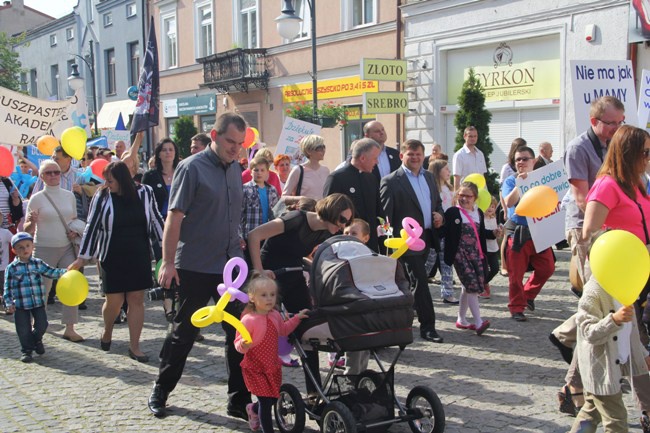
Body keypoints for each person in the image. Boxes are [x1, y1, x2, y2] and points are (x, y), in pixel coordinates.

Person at [148, 112, 250, 419]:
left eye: (240, 143)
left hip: (230, 267)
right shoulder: (191, 168)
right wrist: (167, 262)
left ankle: (238, 399)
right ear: (215, 136)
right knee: (184, 333)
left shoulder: (235, 169)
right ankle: (161, 389)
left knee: (238, 334)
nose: (235, 148)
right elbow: (174, 217)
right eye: (230, 141)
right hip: (195, 264)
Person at [563, 125, 650, 427]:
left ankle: (580, 387)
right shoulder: (607, 185)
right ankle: (580, 381)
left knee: (593, 400)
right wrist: (614, 258)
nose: (649, 158)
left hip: (634, 270)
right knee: (604, 336)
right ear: (629, 154)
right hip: (611, 272)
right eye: (646, 153)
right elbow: (590, 232)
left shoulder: (637, 183)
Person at [551, 96, 627, 414]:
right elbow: (583, 198)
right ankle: (575, 383)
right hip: (586, 230)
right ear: (595, 121)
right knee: (600, 304)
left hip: (613, 230)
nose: (617, 128)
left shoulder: (616, 144)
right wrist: (610, 222)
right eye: (612, 123)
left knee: (602, 307)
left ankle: (567, 340)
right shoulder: (578, 148)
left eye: (621, 122)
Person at [247, 193, 355, 395]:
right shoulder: (296, 219)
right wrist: (259, 272)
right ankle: (258, 391)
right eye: (342, 219)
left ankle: (314, 392)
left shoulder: (326, 232)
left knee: (306, 330)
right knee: (264, 331)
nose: (343, 225)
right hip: (270, 277)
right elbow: (254, 236)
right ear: (330, 211)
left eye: (348, 221)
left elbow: (300, 254)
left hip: (293, 274)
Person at [69, 161, 164, 363]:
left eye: (110, 180)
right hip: (112, 253)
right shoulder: (102, 195)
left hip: (139, 253)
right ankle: (108, 330)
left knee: (136, 299)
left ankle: (135, 346)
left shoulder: (145, 192)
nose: (107, 183)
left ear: (122, 180)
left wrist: (168, 249)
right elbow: (92, 226)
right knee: (114, 301)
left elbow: (156, 219)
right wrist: (81, 258)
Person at [380, 139, 445, 343]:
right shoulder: (391, 181)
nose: (415, 158)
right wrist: (389, 246)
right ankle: (428, 327)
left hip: (427, 237)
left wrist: (439, 215)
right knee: (421, 283)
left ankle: (400, 322)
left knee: (411, 284)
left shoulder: (428, 176)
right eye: (410, 154)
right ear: (402, 156)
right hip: (405, 242)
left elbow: (438, 203)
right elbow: (385, 217)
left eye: (418, 154)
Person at [568, 273, 650, 433]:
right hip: (601, 369)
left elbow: (631, 332)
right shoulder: (594, 290)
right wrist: (614, 320)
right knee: (616, 421)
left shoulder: (624, 287)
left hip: (615, 364)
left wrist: (643, 353)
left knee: (590, 413)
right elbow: (588, 332)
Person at [234, 273, 309, 433]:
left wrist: (297, 318)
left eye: (272, 295)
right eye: (264, 295)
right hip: (255, 367)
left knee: (273, 397)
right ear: (252, 297)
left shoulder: (275, 315)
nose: (269, 299)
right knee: (266, 402)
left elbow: (283, 330)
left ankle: (253, 409)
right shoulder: (248, 320)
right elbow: (238, 344)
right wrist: (244, 344)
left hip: (272, 365)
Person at [24, 160, 84, 342]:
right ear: (41, 177)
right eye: (48, 173)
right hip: (43, 247)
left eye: (56, 172)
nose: (53, 176)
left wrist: (75, 230)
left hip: (66, 246)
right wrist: (32, 221)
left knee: (71, 285)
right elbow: (26, 229)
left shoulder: (69, 196)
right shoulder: (36, 198)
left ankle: (70, 327)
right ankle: (39, 323)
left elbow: (73, 218)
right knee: (42, 289)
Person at [501, 146, 555, 321]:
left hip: (539, 230)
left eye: (525, 159)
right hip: (519, 231)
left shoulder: (542, 180)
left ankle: (528, 294)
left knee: (547, 268)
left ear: (533, 161)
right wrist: (520, 184)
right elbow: (509, 202)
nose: (521, 162)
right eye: (517, 160)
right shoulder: (510, 181)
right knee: (515, 274)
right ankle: (516, 307)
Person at [3, 232, 67, 363]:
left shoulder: (38, 263)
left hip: (37, 302)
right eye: (20, 247)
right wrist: (8, 303)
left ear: (32, 247)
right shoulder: (11, 268)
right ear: (14, 250)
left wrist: (66, 272)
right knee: (23, 329)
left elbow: (51, 272)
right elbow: (7, 287)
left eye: (27, 246)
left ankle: (36, 339)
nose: (24, 249)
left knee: (42, 325)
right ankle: (26, 351)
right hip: (20, 304)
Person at [443, 181, 495, 335]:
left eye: (468, 196)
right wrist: (439, 224)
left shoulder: (478, 213)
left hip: (476, 254)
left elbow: (481, 233)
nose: (464, 199)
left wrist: (493, 234)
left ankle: (461, 319)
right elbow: (444, 232)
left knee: (468, 286)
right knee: (472, 285)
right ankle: (478, 322)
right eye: (461, 195)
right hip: (460, 254)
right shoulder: (452, 212)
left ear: (475, 198)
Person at [323, 138, 382, 252]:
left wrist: (384, 243)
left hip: (370, 244)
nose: (377, 162)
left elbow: (379, 212)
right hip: (345, 245)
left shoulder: (372, 179)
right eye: (375, 158)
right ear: (363, 158)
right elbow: (328, 214)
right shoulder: (336, 178)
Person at [340, 218, 372, 374]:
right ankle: (351, 377)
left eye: (354, 233)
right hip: (349, 308)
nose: (348, 236)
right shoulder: (339, 256)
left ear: (365, 238)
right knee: (356, 345)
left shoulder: (370, 257)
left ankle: (361, 376)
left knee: (364, 347)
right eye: (346, 232)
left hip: (366, 307)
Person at [427, 159, 458, 304]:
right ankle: (414, 285)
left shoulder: (449, 188)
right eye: (446, 169)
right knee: (429, 261)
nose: (449, 172)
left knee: (447, 261)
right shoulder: (432, 189)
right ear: (438, 170)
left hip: (447, 229)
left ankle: (447, 292)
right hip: (435, 230)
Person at [240, 156, 279, 261]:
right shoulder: (245, 189)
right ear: (251, 172)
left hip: (267, 234)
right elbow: (238, 214)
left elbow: (276, 213)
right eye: (256, 170)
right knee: (251, 263)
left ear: (267, 173)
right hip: (250, 234)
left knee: (265, 261)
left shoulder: (272, 190)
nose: (259, 173)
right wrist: (239, 235)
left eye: (262, 170)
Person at [282, 135, 330, 201]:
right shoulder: (298, 170)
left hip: (322, 210)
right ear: (308, 151)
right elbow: (284, 197)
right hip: (304, 210)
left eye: (324, 147)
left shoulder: (326, 170)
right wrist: (302, 199)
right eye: (319, 148)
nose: (323, 150)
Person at [142, 138, 180, 221]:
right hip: (158, 220)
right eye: (164, 150)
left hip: (180, 220)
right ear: (158, 154)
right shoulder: (150, 175)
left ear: (175, 153)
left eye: (171, 150)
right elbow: (143, 200)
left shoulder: (182, 173)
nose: (168, 152)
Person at [452, 126, 487, 190]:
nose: (473, 138)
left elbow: (482, 176)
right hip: (466, 192)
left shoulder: (480, 154)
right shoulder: (459, 155)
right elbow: (457, 178)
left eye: (475, 136)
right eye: (470, 136)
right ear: (464, 136)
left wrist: (486, 192)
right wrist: (456, 196)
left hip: (480, 192)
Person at [482, 196, 501, 299]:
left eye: (492, 206)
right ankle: (483, 287)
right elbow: (483, 233)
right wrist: (493, 233)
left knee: (495, 268)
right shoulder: (481, 219)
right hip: (484, 249)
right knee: (483, 270)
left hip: (493, 248)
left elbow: (494, 233)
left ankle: (484, 283)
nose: (490, 208)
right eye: (488, 206)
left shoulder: (494, 218)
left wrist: (498, 232)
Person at [0, 211, 14, 313]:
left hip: (3, 267)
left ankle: (7, 305)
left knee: (5, 288)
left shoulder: (5, 232)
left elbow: (15, 241)